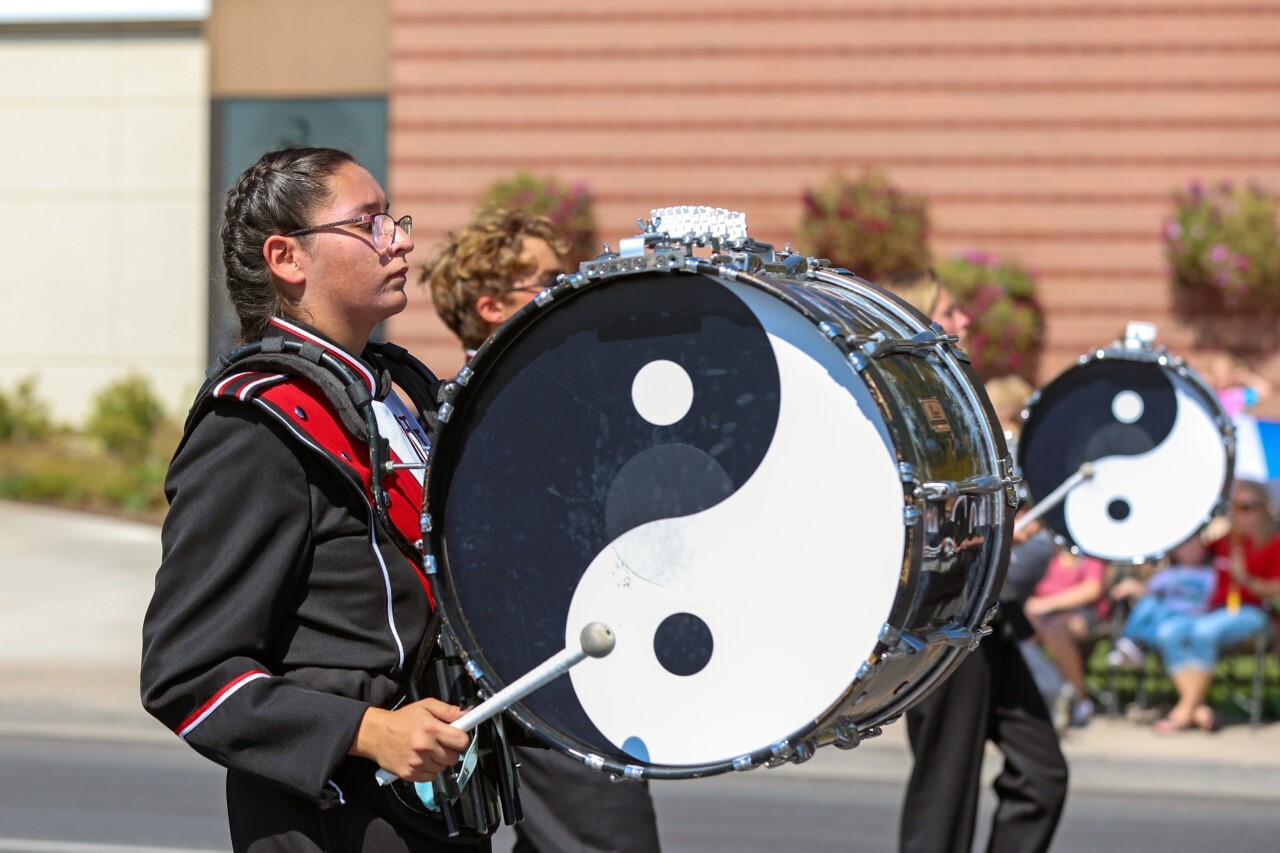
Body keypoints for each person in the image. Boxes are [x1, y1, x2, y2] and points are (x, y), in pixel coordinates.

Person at [141, 147, 487, 852]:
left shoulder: (403, 392)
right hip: (332, 824)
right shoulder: (252, 425)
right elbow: (187, 671)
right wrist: (368, 730)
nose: (401, 237)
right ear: (287, 258)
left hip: (437, 811)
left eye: (392, 218)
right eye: (369, 222)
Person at [423, 207, 663, 853]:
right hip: (548, 672)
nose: (567, 291)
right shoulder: (496, 408)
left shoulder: (554, 393)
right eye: (546, 280)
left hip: (567, 665)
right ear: (493, 304)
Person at [884, 268, 1068, 853]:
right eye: (952, 309)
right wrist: (990, 532)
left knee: (1042, 776)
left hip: (991, 614)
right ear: (918, 313)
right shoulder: (899, 403)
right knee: (947, 792)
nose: (965, 320)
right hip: (943, 615)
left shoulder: (954, 396)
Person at [1149, 479, 1280, 733]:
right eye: (1234, 507)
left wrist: (1248, 580)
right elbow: (1189, 549)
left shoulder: (1275, 544)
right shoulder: (1226, 541)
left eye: (1247, 507)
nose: (1238, 513)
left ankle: (1183, 711)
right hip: (1213, 611)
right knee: (1167, 632)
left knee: (1204, 632)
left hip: (1254, 613)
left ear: (1263, 509)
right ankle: (1197, 708)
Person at [1025, 548, 1111, 728]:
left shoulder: (1089, 552)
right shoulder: (1047, 552)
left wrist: (1045, 604)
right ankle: (1048, 694)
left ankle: (1079, 700)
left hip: (1082, 612)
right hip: (1041, 615)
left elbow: (1092, 589)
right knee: (1019, 630)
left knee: (1056, 630)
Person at [1107, 535, 1216, 670]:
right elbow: (1147, 589)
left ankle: (1138, 647)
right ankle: (1128, 642)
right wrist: (1129, 587)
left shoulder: (1211, 574)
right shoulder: (1170, 573)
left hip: (1194, 616)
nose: (1191, 550)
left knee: (1163, 623)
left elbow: (1216, 598)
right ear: (1175, 552)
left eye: (1196, 546)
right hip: (1168, 613)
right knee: (1150, 603)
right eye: (1186, 546)